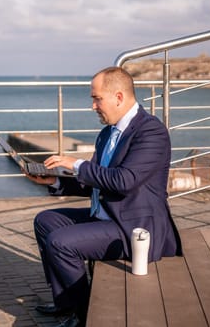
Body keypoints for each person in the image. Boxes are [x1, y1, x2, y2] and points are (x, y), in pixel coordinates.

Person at [25, 66, 182, 327]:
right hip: (107, 216)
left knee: (61, 242)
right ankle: (66, 302)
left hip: (134, 227)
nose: (93, 106)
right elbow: (97, 183)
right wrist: (53, 181)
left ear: (118, 97)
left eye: (97, 99)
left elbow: (124, 181)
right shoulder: (108, 133)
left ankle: (84, 314)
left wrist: (76, 164)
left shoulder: (150, 132)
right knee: (46, 221)